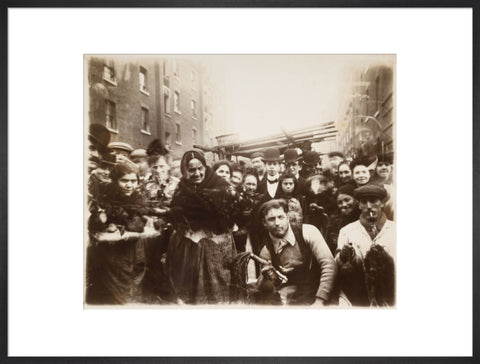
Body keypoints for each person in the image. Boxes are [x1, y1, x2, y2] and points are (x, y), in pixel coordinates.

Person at [166, 150, 238, 304]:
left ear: (206, 167)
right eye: (192, 170)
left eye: (200, 168)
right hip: (189, 248)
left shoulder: (220, 185)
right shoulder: (181, 189)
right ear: (185, 171)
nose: (197, 173)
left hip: (215, 247)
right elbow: (176, 214)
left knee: (217, 287)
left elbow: (230, 215)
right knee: (190, 290)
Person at [86, 161, 162, 305]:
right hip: (110, 255)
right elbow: (95, 224)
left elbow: (139, 223)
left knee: (133, 288)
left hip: (134, 252)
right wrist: (106, 222)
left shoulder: (138, 199)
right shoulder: (104, 199)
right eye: (124, 181)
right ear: (115, 181)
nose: (129, 185)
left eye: (133, 181)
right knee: (115, 295)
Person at [256, 199, 337, 305]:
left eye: (280, 217)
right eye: (271, 219)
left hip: (320, 291)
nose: (277, 223)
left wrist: (320, 301)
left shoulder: (308, 232)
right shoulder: (266, 251)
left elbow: (329, 265)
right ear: (264, 223)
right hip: (292, 297)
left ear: (287, 217)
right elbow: (266, 288)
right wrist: (266, 279)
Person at [336, 184, 395, 306]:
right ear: (359, 205)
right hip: (356, 295)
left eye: (373, 201)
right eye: (364, 202)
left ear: (382, 203)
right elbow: (337, 263)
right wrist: (343, 255)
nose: (369, 206)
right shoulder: (347, 231)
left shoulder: (395, 229)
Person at [325, 184, 360, 254]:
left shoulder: (363, 217)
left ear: (356, 200)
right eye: (340, 202)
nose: (344, 204)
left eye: (347, 200)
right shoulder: (334, 221)